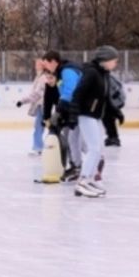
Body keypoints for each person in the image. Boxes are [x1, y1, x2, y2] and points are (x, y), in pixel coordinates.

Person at [71, 46, 120, 198]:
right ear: (105, 60)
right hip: (86, 114)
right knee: (93, 148)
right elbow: (78, 92)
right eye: (114, 60)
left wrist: (115, 111)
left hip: (95, 115)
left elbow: (104, 98)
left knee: (98, 149)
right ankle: (82, 181)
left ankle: (89, 179)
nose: (116, 63)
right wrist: (73, 114)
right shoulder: (92, 72)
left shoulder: (103, 74)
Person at [43, 51, 84, 182]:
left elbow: (70, 91)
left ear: (53, 61)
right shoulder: (61, 72)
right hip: (73, 109)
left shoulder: (67, 71)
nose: (46, 68)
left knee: (78, 140)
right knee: (70, 138)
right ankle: (75, 165)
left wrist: (59, 110)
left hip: (82, 109)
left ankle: (88, 164)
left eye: (46, 64)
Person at [17, 57, 51, 155]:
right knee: (40, 127)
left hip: (43, 105)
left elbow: (37, 94)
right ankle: (39, 146)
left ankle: (38, 147)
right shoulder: (40, 76)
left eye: (37, 64)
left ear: (42, 66)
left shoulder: (43, 77)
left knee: (39, 127)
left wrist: (23, 101)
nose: (35, 66)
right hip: (42, 105)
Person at [102, 70, 125, 147]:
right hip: (114, 101)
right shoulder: (108, 76)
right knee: (107, 119)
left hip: (114, 101)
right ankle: (112, 136)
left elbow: (109, 90)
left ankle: (114, 137)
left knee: (108, 119)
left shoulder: (107, 78)